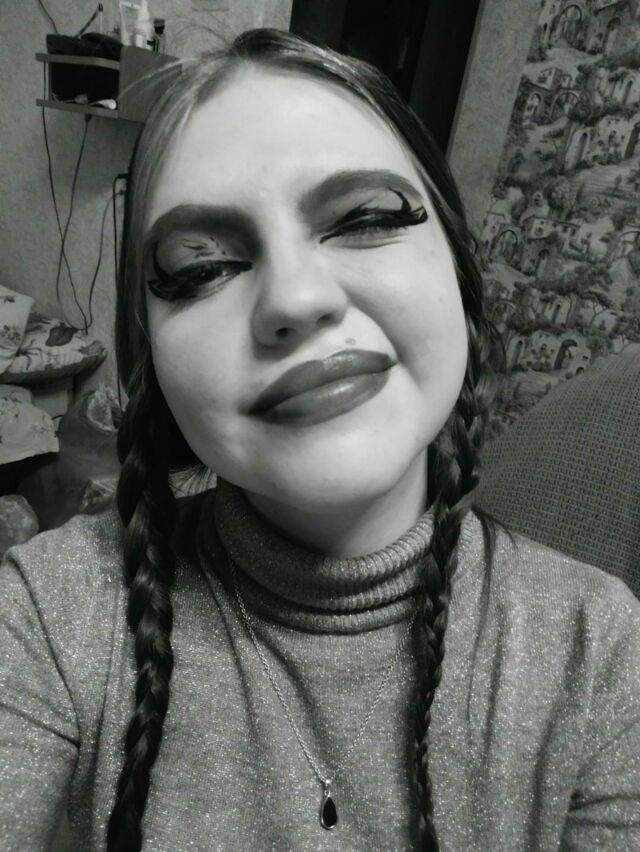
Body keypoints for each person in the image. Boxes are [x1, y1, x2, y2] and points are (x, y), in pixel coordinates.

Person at [1, 28, 639, 852]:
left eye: (366, 219)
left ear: (459, 274)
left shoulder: (602, 653)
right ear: (152, 361)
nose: (295, 299)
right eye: (201, 268)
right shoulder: (46, 617)